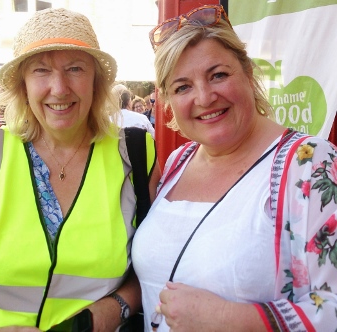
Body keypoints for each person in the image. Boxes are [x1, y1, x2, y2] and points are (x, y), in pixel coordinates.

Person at [0, 7, 160, 332]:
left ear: (95, 81)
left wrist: (113, 311)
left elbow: (156, 265)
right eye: (41, 70)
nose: (59, 87)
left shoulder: (137, 155)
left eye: (75, 68)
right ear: (23, 86)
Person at [132, 4, 337, 332]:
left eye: (218, 75)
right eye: (182, 86)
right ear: (168, 100)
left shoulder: (310, 163)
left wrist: (229, 319)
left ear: (248, 74)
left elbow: (332, 306)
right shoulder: (176, 164)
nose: (204, 97)